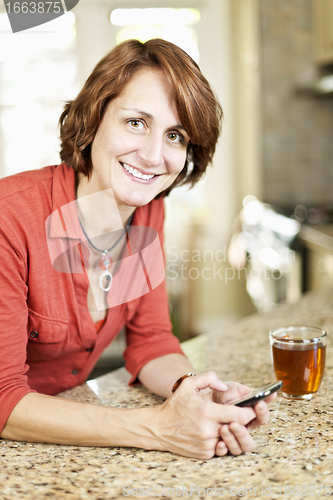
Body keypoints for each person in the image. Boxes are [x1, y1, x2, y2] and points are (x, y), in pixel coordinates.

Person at [0, 38, 274, 459]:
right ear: (93, 118)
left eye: (175, 135)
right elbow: (3, 398)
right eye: (135, 122)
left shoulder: (145, 213)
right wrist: (157, 429)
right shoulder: (10, 219)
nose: (152, 156)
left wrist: (194, 394)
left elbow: (151, 340)